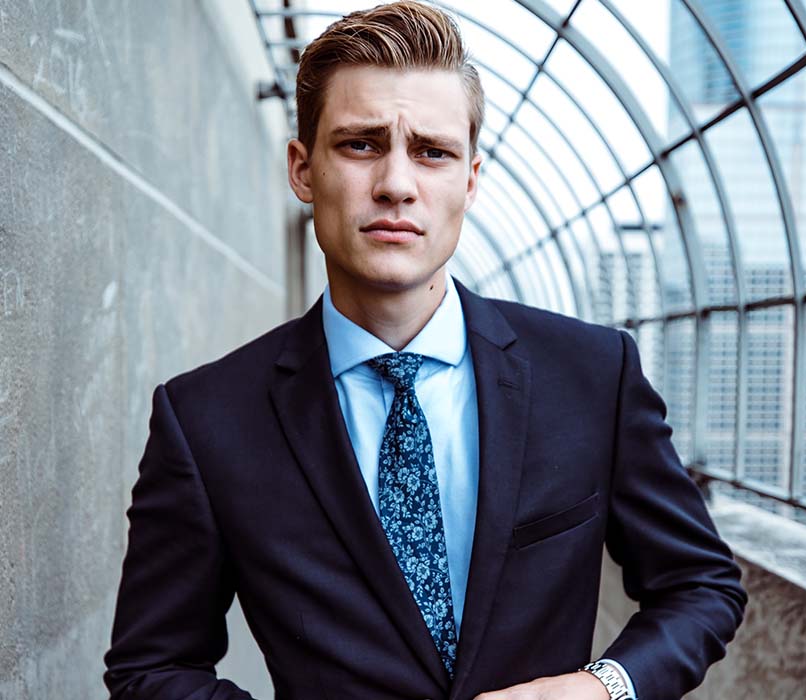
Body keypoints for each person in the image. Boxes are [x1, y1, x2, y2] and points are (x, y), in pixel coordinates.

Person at [103, 3, 746, 699]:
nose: (396, 184)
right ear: (302, 169)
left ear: (468, 179)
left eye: (432, 152)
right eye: (360, 144)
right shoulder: (205, 420)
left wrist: (600, 689)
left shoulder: (592, 373)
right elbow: (153, 668)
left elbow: (700, 585)